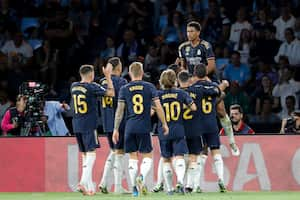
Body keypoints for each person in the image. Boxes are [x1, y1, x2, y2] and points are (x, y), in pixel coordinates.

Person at [178, 21, 240, 156]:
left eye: (192, 31)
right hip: (191, 82)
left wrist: (197, 77)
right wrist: (187, 77)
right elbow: (182, 67)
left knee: (221, 110)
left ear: (198, 32)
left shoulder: (206, 46)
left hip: (208, 79)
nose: (189, 34)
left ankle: (231, 141)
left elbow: (211, 66)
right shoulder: (182, 47)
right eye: (187, 31)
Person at [112, 62, 168, 197]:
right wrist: (164, 123)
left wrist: (115, 129)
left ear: (130, 73)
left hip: (129, 127)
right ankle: (141, 176)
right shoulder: (149, 87)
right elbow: (158, 107)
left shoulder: (124, 89)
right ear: (142, 73)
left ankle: (134, 188)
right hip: (144, 126)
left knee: (132, 157)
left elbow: (119, 111)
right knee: (147, 155)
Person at [178, 66, 229, 193]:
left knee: (198, 154)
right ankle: (221, 179)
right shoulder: (211, 87)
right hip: (212, 123)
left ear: (194, 74)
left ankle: (194, 185)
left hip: (199, 125)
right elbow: (219, 92)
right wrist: (224, 85)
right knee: (216, 151)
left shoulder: (193, 89)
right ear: (206, 73)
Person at [71, 64, 115, 196]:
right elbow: (111, 93)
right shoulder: (92, 87)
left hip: (76, 124)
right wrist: (107, 76)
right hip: (89, 124)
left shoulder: (73, 86)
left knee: (85, 155)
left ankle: (90, 188)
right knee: (91, 154)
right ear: (91, 75)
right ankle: (83, 182)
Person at [156, 69, 196, 195]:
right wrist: (180, 106)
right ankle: (179, 181)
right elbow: (193, 107)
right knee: (179, 157)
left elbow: (152, 111)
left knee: (166, 159)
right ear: (175, 80)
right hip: (178, 128)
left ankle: (169, 188)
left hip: (164, 129)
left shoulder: (158, 95)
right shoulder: (181, 93)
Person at [97, 57, 128, 194]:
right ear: (118, 68)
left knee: (114, 152)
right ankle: (118, 187)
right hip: (118, 121)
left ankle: (103, 182)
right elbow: (124, 101)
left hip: (106, 121)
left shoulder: (102, 81)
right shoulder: (122, 82)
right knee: (119, 153)